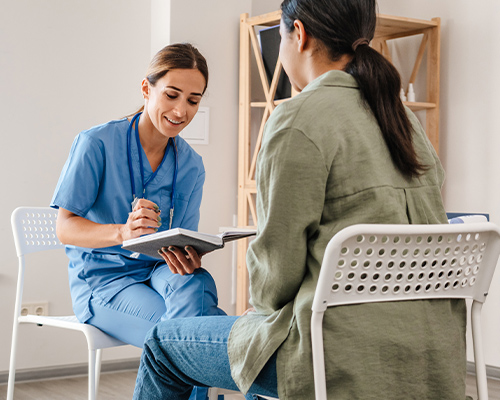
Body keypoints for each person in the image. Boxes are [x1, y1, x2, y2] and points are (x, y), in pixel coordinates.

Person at [132, 1, 467, 399]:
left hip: (333, 354)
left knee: (160, 345)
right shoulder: (404, 119)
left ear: (300, 34)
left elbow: (274, 284)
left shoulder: (297, 118)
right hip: (432, 353)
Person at [50, 43, 225, 400]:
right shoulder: (96, 143)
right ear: (147, 89)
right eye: (172, 95)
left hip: (157, 271)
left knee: (197, 282)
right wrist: (123, 232)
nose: (181, 111)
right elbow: (64, 228)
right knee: (202, 333)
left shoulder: (191, 165)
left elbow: (178, 238)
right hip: (104, 281)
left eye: (193, 100)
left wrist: (187, 254)